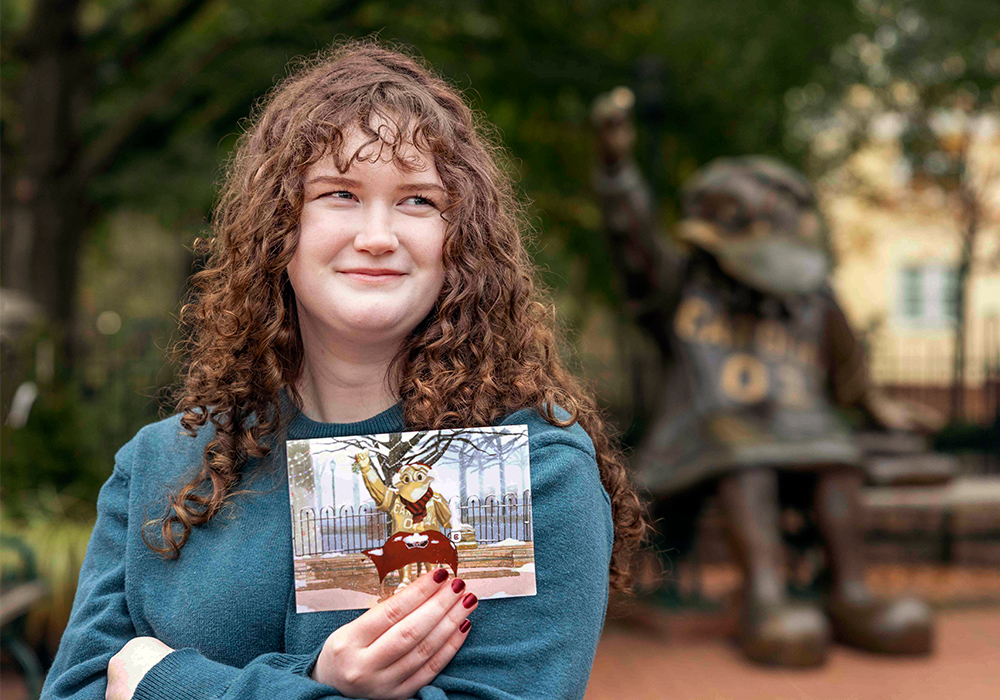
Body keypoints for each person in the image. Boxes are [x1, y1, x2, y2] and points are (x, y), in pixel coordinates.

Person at [41, 42, 645, 700]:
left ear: (462, 239)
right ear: (279, 226)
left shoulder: (529, 469)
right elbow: (75, 689)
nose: (378, 235)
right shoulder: (160, 463)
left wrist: (163, 682)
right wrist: (321, 682)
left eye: (418, 200)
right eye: (340, 194)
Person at [591, 87, 934, 667]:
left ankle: (851, 594)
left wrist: (876, 404)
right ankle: (765, 597)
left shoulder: (811, 299)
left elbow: (849, 368)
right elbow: (635, 242)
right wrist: (616, 168)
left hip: (800, 442)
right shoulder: (683, 288)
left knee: (836, 455)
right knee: (744, 452)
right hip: (701, 449)